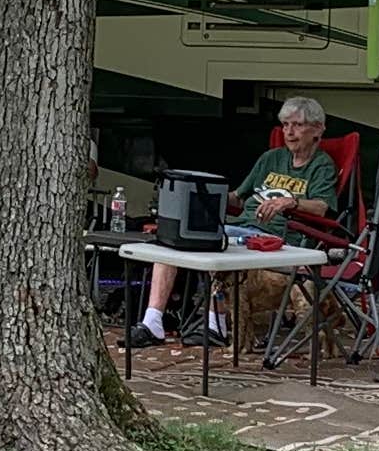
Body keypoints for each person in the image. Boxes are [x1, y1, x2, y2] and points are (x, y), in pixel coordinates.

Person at [135, 96, 345, 346]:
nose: (289, 132)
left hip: (276, 241)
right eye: (285, 125)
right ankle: (153, 322)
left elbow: (322, 208)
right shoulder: (271, 159)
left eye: (297, 125)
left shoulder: (321, 166)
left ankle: (217, 326)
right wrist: (203, 194)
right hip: (241, 231)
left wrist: (291, 202)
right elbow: (237, 198)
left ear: (318, 129)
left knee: (214, 246)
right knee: (171, 243)